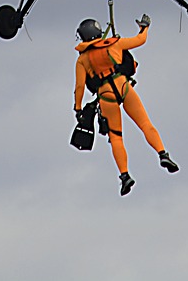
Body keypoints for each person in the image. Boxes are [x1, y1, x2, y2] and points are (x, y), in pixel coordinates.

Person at [74, 14, 178, 195]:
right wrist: (144, 27)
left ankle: (124, 175)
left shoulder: (82, 60)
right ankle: (163, 154)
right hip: (123, 85)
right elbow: (140, 40)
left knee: (116, 138)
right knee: (146, 124)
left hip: (105, 95)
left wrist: (77, 108)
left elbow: (80, 86)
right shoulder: (114, 43)